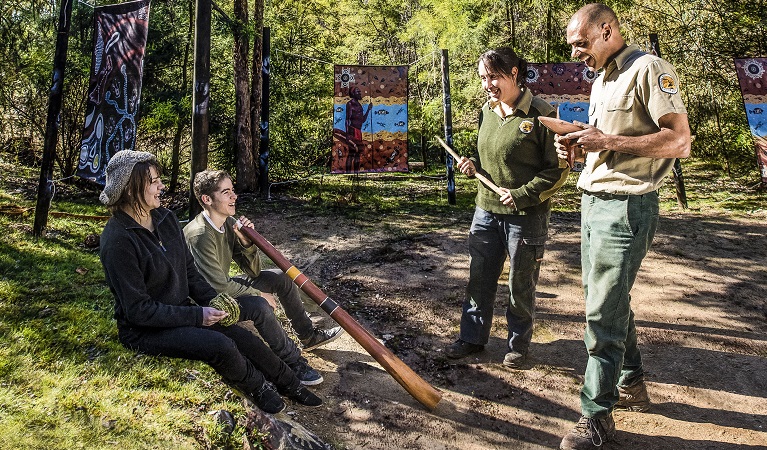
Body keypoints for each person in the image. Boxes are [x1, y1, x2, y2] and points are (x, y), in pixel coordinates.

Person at [556, 4, 691, 449]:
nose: (576, 52)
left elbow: (679, 141)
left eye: (580, 42)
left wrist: (607, 140)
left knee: (600, 313)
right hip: (593, 201)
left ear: (607, 29)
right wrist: (580, 143)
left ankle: (596, 416)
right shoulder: (602, 79)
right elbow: (608, 141)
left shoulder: (649, 68)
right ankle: (632, 380)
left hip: (627, 208)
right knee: (606, 301)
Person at [98, 150, 322, 415]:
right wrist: (197, 316)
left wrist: (214, 302)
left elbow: (190, 274)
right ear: (131, 187)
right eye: (153, 181)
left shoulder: (166, 219)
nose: (161, 186)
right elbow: (138, 310)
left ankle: (291, 383)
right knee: (220, 345)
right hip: (144, 330)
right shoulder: (118, 240)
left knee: (242, 337)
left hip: (182, 312)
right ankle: (258, 387)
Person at [444, 47, 569, 368]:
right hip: (485, 212)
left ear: (514, 73)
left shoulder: (542, 113)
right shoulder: (487, 111)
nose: (488, 84)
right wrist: (474, 167)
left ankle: (517, 345)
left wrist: (522, 194)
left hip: (526, 217)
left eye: (494, 77)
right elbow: (490, 158)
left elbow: (559, 171)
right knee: (479, 278)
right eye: (484, 78)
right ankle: (472, 338)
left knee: (520, 283)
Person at [183, 169, 344, 357]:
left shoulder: (228, 223)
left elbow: (254, 271)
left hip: (222, 287)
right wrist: (259, 294)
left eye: (233, 190)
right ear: (207, 200)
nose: (234, 196)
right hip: (207, 302)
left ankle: (308, 336)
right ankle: (291, 359)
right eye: (226, 192)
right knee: (261, 304)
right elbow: (217, 286)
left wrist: (246, 242)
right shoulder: (200, 234)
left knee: (281, 277)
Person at [343, 86, 373, 172]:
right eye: (358, 92)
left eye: (360, 92)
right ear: (353, 93)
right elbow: (347, 119)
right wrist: (348, 134)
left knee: (358, 153)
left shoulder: (359, 105)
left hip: (358, 131)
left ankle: (356, 172)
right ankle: (348, 173)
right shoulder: (350, 104)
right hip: (352, 130)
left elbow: (362, 120)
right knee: (352, 152)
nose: (360, 93)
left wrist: (368, 110)